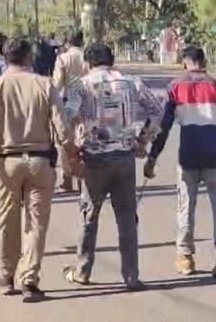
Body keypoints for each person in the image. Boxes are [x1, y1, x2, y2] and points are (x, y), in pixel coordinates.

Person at [0, 37, 79, 303]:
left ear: (5, 58)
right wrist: (73, 158)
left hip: (7, 164)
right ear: (28, 57)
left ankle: (6, 276)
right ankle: (29, 279)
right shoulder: (44, 85)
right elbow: (63, 129)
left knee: (6, 220)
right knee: (36, 224)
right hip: (40, 162)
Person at [61, 44, 162, 290]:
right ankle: (131, 276)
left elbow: (67, 117)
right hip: (124, 158)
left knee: (89, 216)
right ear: (112, 60)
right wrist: (142, 139)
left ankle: (83, 270)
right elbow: (157, 110)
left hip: (94, 159)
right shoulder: (132, 83)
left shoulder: (81, 85)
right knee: (127, 220)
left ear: (88, 63)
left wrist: (72, 149)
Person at [146, 45, 216, 280]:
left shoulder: (176, 87)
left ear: (184, 63)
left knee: (186, 205)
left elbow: (164, 127)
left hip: (188, 155)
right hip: (215, 156)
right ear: (203, 61)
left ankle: (185, 256)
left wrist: (152, 158)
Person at [52, 29, 88, 192]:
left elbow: (57, 84)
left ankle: (67, 177)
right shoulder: (88, 57)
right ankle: (85, 175)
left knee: (65, 139)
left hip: (68, 103)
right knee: (85, 137)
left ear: (68, 42)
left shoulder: (63, 59)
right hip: (87, 101)